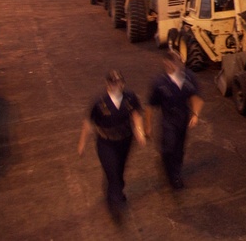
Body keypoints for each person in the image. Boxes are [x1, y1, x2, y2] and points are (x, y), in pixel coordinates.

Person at [78, 70, 145, 220]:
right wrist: (82, 143)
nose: (117, 85)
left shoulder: (130, 97)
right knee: (112, 170)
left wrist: (139, 131)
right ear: (108, 84)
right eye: (113, 83)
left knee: (119, 170)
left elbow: (136, 114)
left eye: (119, 82)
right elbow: (89, 123)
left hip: (125, 141)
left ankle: (116, 190)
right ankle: (114, 204)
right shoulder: (99, 102)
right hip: (106, 143)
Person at [146, 50, 203, 190]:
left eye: (178, 61)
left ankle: (175, 173)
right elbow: (150, 106)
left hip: (182, 118)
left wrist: (195, 114)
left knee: (179, 149)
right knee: (169, 148)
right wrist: (148, 126)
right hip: (168, 120)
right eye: (173, 62)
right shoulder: (159, 83)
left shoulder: (188, 77)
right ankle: (172, 174)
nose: (177, 65)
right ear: (167, 64)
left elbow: (196, 97)